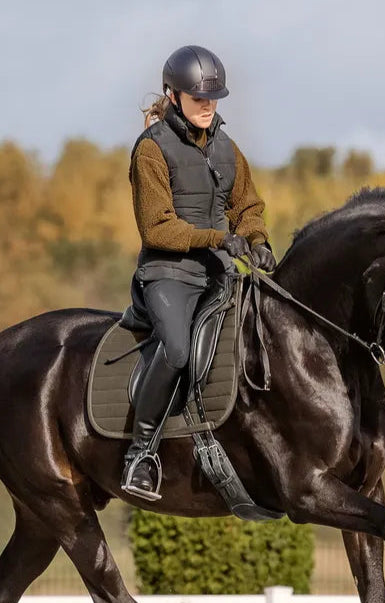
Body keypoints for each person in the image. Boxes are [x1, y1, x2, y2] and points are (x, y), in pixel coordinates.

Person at [121, 44, 275, 501]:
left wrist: (257, 240)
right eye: (198, 99)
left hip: (218, 272)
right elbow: (157, 226)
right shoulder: (151, 150)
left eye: (213, 99)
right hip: (169, 274)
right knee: (177, 351)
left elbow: (247, 206)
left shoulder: (227, 148)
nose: (208, 107)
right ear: (173, 95)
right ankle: (141, 453)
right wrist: (216, 239)